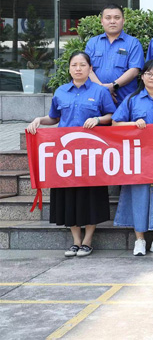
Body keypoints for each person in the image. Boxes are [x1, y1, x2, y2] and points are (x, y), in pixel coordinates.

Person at [26, 52, 115, 258]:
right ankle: (76, 241)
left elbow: (112, 115)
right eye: (74, 65)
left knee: (90, 196)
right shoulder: (61, 92)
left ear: (90, 69)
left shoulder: (100, 91)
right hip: (66, 155)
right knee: (69, 196)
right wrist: (39, 120)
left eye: (82, 65)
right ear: (69, 69)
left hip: (91, 153)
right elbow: (54, 117)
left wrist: (98, 120)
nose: (78, 68)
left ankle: (88, 241)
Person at [111, 60, 153, 256]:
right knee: (138, 195)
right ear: (142, 77)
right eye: (149, 74)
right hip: (138, 156)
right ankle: (139, 240)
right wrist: (133, 124)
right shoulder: (132, 99)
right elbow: (115, 124)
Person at [85, 3, 144, 105]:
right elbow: (87, 69)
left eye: (117, 18)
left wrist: (113, 86)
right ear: (102, 21)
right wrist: (103, 89)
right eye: (108, 18)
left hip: (124, 100)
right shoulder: (92, 43)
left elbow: (134, 70)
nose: (112, 21)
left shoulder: (133, 43)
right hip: (96, 99)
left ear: (123, 20)